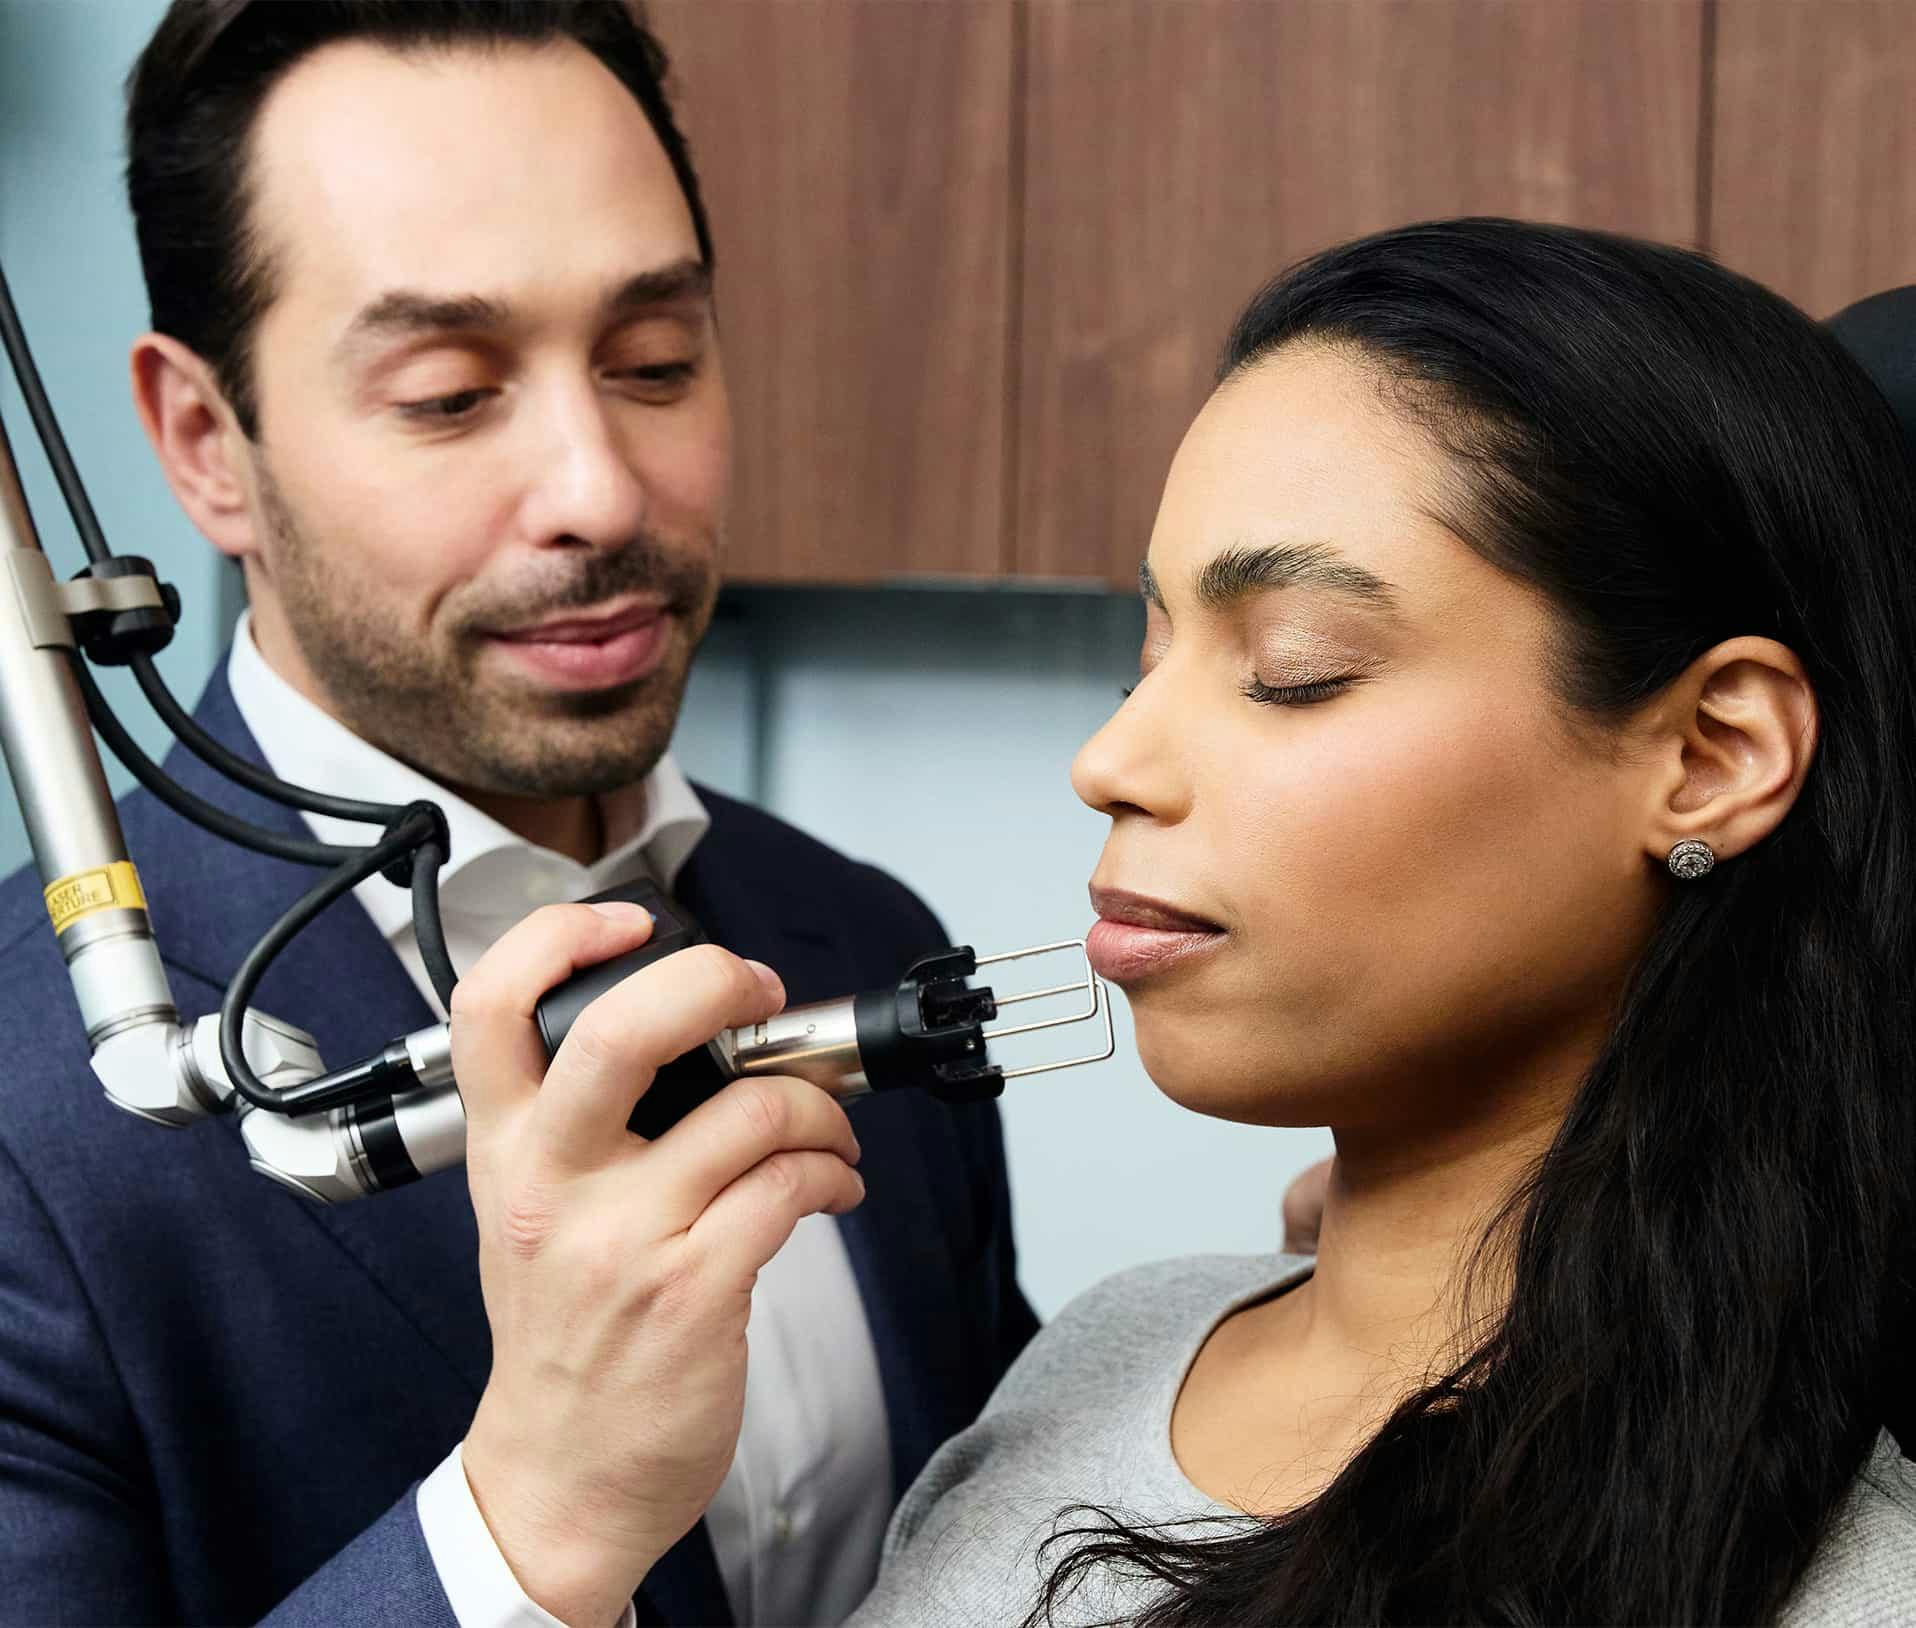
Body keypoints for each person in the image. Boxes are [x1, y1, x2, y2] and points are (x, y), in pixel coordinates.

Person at [464, 218, 1916, 1625]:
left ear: (1713, 757)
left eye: (1289, 670)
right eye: (1143, 662)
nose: (1111, 764)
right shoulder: (1104, 1353)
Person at [0, 4, 1033, 1624]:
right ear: (207, 444)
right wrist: (525, 1524)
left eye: (655, 364)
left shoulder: (862, 930)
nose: (600, 492)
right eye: (448, 393)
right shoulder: (20, 1124)